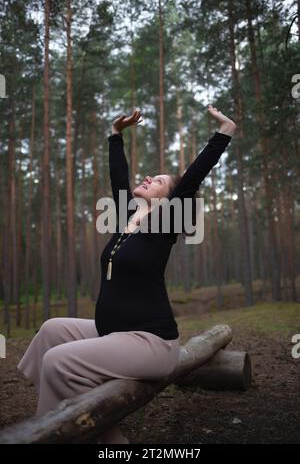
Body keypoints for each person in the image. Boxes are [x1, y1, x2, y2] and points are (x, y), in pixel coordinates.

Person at [17, 104, 236, 444]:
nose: (149, 178)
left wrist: (225, 131)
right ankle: (62, 415)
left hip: (150, 343)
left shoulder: (165, 224)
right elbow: (118, 176)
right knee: (51, 331)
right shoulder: (126, 218)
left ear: (169, 200)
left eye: (159, 181)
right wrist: (116, 135)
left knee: (59, 360)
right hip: (113, 333)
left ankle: (60, 432)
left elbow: (194, 174)